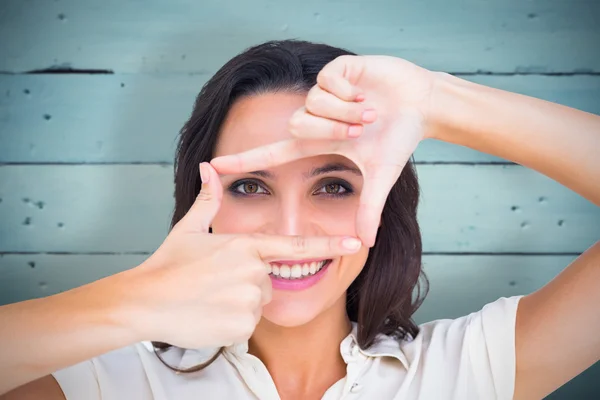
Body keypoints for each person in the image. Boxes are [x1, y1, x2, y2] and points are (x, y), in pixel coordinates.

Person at [0, 39, 598, 400]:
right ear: (201, 202)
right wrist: (132, 302)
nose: (290, 227)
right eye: (251, 185)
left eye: (333, 184)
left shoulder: (468, 371)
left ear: (384, 201)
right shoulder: (104, 385)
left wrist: (438, 102)